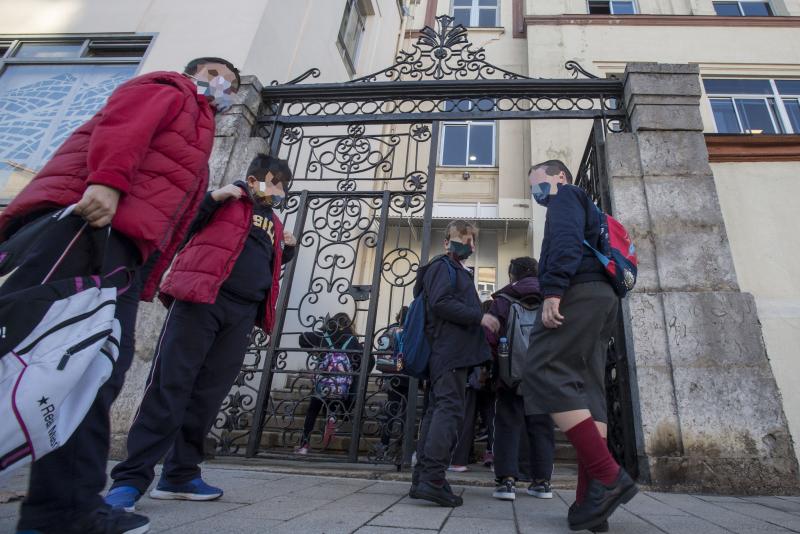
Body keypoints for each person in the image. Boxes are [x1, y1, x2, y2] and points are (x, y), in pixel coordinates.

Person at [0, 57, 239, 534]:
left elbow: (171, 207)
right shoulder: (171, 88)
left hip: (122, 247)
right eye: (219, 77)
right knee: (70, 362)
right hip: (94, 226)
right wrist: (107, 183)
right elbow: (125, 124)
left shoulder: (199, 129)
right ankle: (64, 510)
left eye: (232, 84)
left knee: (90, 370)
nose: (224, 87)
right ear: (198, 72)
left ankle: (64, 508)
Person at [105, 154, 296, 512]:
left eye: (284, 186)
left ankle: (179, 475)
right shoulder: (228, 201)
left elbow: (261, 263)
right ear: (257, 178)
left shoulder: (273, 219)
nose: (280, 191)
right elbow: (182, 227)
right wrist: (212, 198)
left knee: (209, 393)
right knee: (171, 385)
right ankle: (130, 479)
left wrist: (287, 249)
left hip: (242, 313)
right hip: (201, 299)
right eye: (276, 182)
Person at [524, 160, 637, 532]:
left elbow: (567, 241)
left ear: (559, 177)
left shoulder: (566, 196)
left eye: (538, 184)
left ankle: (608, 476)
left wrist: (553, 291)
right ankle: (591, 502)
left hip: (578, 292)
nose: (537, 193)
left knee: (542, 369)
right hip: (603, 298)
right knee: (588, 388)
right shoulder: (585, 204)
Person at [408, 220, 499, 508]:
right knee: (448, 411)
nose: (469, 245)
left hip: (452, 352)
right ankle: (433, 479)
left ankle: (423, 478)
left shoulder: (458, 270)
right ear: (447, 241)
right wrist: (479, 316)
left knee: (439, 410)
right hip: (448, 351)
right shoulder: (441, 267)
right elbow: (441, 302)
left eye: (472, 240)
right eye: (463, 238)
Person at [483, 257, 555, 502]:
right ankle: (542, 482)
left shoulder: (503, 301)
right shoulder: (552, 297)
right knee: (542, 427)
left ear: (514, 275)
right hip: (544, 377)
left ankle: (506, 482)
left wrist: (497, 367)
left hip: (509, 377)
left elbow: (489, 337)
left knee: (507, 426)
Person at [295, 313, 371, 454]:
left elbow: (302, 339)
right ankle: (332, 417)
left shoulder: (325, 336)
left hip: (323, 382)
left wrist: (317, 353)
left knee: (313, 410)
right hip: (340, 385)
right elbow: (367, 360)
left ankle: (304, 445)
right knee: (335, 402)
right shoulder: (353, 341)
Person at [376, 306, 411, 462]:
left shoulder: (390, 331)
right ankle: (402, 448)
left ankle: (383, 446)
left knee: (390, 410)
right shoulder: (412, 331)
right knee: (406, 413)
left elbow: (381, 350)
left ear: (398, 317)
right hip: (408, 375)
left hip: (392, 375)